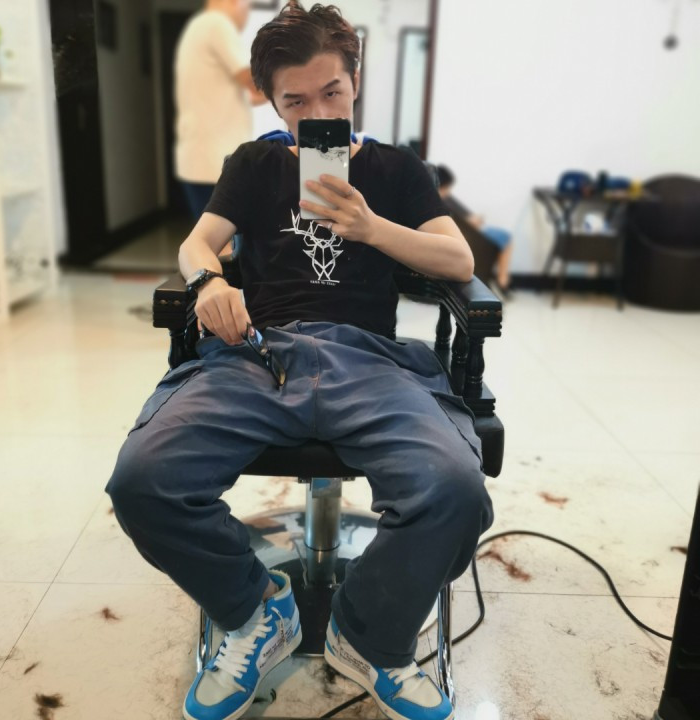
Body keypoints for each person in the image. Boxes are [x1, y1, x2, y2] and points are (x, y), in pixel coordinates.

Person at [107, 4, 494, 720]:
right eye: (295, 101)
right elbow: (196, 244)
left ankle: (368, 634)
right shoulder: (254, 165)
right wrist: (210, 283)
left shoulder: (395, 169)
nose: (318, 114)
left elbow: (458, 260)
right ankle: (256, 611)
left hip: (369, 359)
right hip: (260, 354)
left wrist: (371, 227)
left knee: (454, 489)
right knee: (142, 481)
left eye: (332, 93)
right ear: (271, 100)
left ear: (356, 83)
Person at [174, 0, 266, 221]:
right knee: (221, 240)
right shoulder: (217, 24)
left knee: (211, 236)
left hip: (201, 160)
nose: (247, 14)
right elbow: (255, 82)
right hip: (213, 162)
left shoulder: (199, 27)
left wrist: (287, 95)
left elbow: (251, 96)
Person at [436, 164, 514, 297]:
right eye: (447, 187)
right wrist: (474, 220)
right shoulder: (442, 203)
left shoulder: (447, 199)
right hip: (472, 233)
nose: (448, 191)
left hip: (473, 231)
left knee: (505, 237)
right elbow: (467, 221)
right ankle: (502, 280)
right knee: (506, 238)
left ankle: (502, 279)